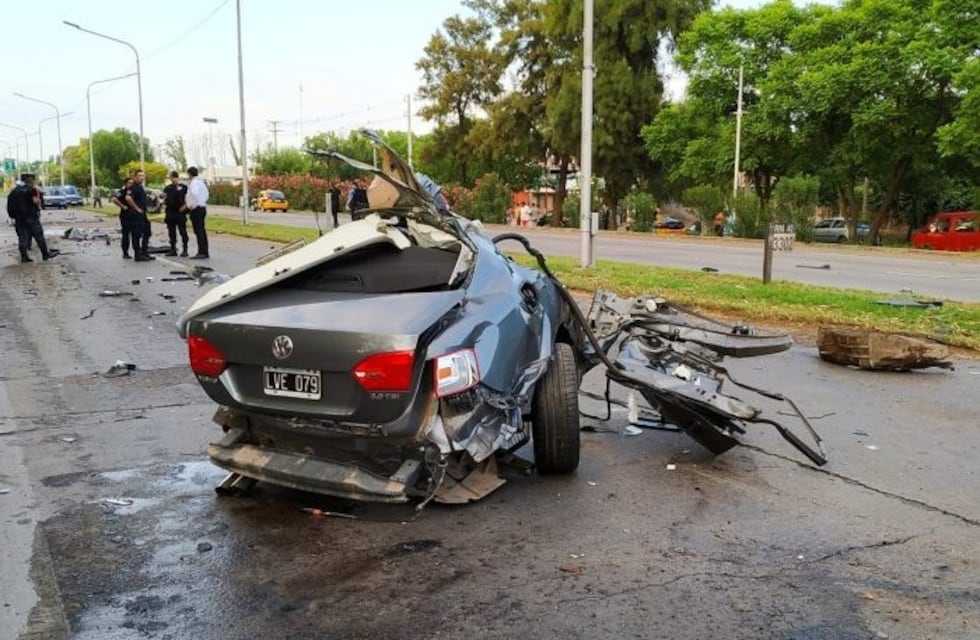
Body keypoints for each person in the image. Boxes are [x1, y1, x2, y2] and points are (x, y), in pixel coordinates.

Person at [7, 173, 54, 263]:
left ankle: (24, 257)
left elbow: (10, 206)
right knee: (39, 235)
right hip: (31, 216)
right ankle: (45, 254)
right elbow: (35, 201)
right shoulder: (32, 190)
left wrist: (13, 215)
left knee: (22, 237)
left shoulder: (14, 191)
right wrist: (39, 203)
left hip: (19, 218)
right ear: (30, 180)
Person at [125, 169, 153, 261]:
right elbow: (128, 198)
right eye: (140, 175)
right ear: (135, 177)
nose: (142, 177)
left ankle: (144, 252)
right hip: (135, 215)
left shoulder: (140, 187)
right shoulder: (133, 187)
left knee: (147, 232)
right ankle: (138, 255)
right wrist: (137, 208)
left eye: (143, 176)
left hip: (143, 214)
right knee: (136, 234)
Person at [184, 166, 210, 259]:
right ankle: (204, 251)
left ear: (189, 174)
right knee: (201, 230)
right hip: (202, 207)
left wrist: (191, 205)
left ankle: (201, 252)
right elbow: (207, 195)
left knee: (198, 230)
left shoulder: (194, 183)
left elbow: (194, 194)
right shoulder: (201, 183)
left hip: (196, 208)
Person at [162, 171, 189, 256]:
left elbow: (188, 198)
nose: (171, 179)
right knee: (171, 232)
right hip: (170, 212)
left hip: (180, 212)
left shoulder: (183, 187)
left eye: (171, 177)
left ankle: (185, 249)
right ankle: (173, 249)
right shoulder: (168, 188)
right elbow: (164, 197)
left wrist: (185, 206)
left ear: (175, 177)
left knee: (183, 231)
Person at [112, 177, 136, 258]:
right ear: (125, 184)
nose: (131, 184)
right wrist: (122, 206)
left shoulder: (134, 191)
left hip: (134, 215)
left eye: (132, 183)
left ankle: (137, 251)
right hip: (125, 215)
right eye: (129, 183)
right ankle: (125, 252)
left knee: (135, 234)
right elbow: (114, 199)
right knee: (126, 234)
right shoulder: (122, 192)